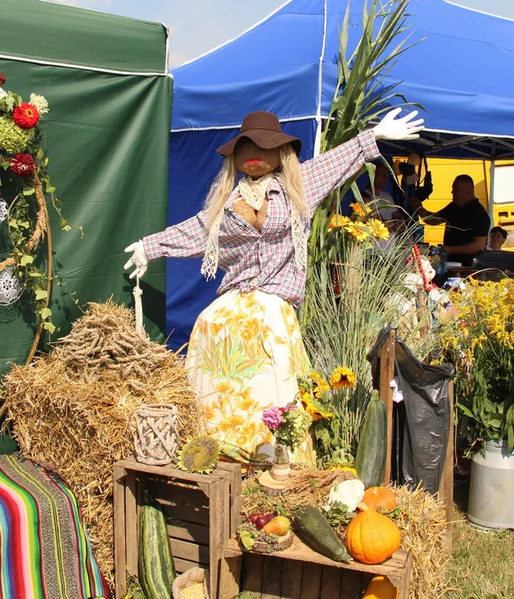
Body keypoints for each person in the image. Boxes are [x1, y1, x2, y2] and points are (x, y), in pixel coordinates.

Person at [124, 108, 423, 460]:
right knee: (210, 350)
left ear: (280, 153)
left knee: (271, 380)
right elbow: (195, 230)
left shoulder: (298, 186)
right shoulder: (225, 203)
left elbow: (337, 160)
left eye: (263, 147)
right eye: (246, 148)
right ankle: (214, 449)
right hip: (231, 306)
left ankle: (271, 456)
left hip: (273, 307)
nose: (254, 156)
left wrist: (373, 136)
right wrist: (150, 247)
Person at [422, 174, 491, 266]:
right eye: (453, 189)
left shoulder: (478, 213)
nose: (452, 192)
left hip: (468, 266)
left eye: (456, 190)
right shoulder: (453, 207)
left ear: (468, 191)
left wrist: (450, 249)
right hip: (450, 263)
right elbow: (433, 220)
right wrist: (418, 207)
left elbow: (478, 245)